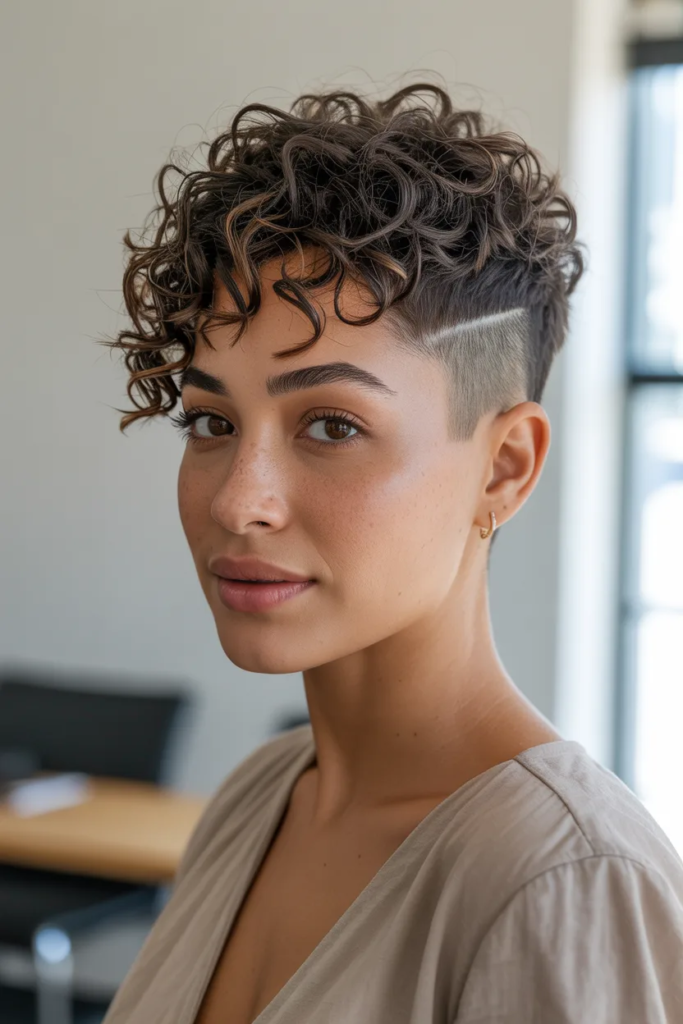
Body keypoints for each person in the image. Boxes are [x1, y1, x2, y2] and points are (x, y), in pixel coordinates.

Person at [101, 83, 683, 1024]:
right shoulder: (262, 797)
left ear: (502, 467)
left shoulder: (564, 879)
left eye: (330, 424)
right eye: (211, 420)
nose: (239, 499)